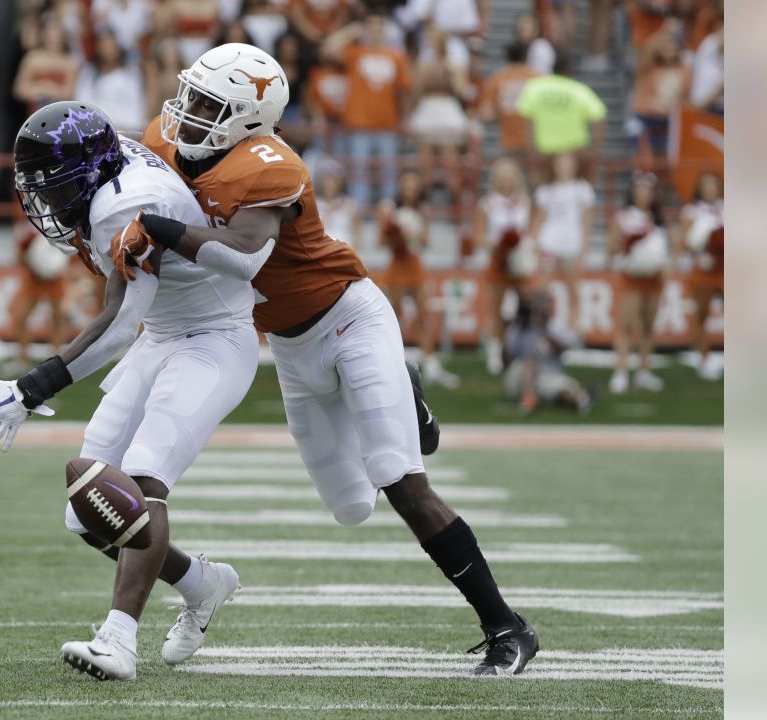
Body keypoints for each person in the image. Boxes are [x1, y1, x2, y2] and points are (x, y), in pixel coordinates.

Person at [135, 43, 534, 675]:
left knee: (398, 478)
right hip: (291, 349)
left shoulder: (268, 165)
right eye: (191, 95)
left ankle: (506, 626)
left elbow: (241, 254)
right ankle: (405, 396)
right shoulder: (171, 142)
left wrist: (154, 227)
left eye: (209, 104)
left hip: (349, 318)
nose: (188, 113)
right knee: (352, 506)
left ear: (250, 119)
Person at [0, 101, 258, 681]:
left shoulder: (123, 201)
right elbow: (128, 310)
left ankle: (119, 639)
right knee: (90, 510)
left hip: (213, 338)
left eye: (53, 183)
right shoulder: (107, 169)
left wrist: (31, 388)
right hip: (166, 334)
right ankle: (203, 583)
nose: (44, 198)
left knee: (142, 481)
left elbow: (120, 325)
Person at [378, 172, 460, 388]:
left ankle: (430, 362)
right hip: (397, 266)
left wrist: (410, 235)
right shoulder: (389, 208)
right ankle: (391, 362)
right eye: (407, 185)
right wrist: (397, 236)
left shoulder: (422, 210)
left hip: (414, 265)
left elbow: (425, 243)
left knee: (424, 315)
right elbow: (382, 241)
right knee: (394, 318)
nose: (410, 190)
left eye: (414, 185)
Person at [324, 14, 413, 207]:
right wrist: (352, 30)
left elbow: (404, 90)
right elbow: (328, 48)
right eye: (370, 27)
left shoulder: (396, 56)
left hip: (387, 124)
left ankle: (388, 210)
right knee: (359, 170)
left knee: (388, 170)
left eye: (378, 26)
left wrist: (405, 118)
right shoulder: (355, 52)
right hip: (359, 123)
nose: (375, 31)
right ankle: (359, 209)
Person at [474, 157, 536, 375]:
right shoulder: (487, 203)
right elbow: (479, 236)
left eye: (510, 176)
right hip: (498, 262)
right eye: (502, 177)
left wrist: (523, 247)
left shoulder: (525, 202)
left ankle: (522, 351)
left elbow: (532, 232)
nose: (506, 181)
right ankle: (495, 352)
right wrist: (498, 246)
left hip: (520, 263)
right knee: (496, 310)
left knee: (527, 308)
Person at [608, 172, 669, 394]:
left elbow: (666, 250)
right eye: (640, 189)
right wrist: (627, 244)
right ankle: (621, 372)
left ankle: (644, 372)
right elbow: (611, 248)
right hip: (631, 278)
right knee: (625, 325)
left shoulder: (659, 220)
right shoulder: (623, 217)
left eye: (648, 190)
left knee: (648, 326)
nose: (644, 194)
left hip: (653, 279)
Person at [529, 151, 595, 333]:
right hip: (549, 243)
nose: (564, 166)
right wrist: (533, 243)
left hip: (571, 245)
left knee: (572, 287)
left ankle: (572, 328)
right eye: (560, 162)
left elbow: (586, 222)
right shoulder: (546, 190)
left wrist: (584, 250)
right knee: (541, 288)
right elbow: (538, 219)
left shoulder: (583, 189)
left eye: (568, 162)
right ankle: (540, 326)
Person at [503, 290, 593, 414]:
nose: (539, 308)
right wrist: (505, 332)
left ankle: (577, 400)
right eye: (536, 303)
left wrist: (543, 329)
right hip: (521, 376)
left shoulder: (556, 327)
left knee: (561, 391)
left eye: (542, 303)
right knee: (529, 363)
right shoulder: (520, 327)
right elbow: (505, 361)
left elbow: (568, 347)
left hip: (548, 375)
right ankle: (529, 396)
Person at [2, 220, 70, 376]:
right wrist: (34, 260)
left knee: (58, 317)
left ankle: (56, 359)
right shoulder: (27, 230)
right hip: (35, 277)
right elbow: (18, 257)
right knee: (21, 318)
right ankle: (23, 359)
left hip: (54, 277)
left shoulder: (54, 224)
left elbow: (66, 251)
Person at [410, 28, 471, 197]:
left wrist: (450, 71)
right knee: (425, 158)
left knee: (449, 157)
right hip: (428, 108)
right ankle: (424, 195)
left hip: (447, 109)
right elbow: (416, 91)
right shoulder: (423, 65)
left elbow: (460, 90)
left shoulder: (454, 65)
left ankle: (454, 196)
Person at [516, 55, 607, 163]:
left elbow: (526, 119)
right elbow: (599, 116)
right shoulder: (579, 89)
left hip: (544, 150)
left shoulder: (535, 87)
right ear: (569, 70)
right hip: (575, 151)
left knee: (541, 179)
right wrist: (594, 148)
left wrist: (531, 149)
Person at [677, 170, 724, 381]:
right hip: (703, 269)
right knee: (700, 316)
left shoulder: (727, 207)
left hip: (727, 267)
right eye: (706, 185)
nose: (710, 189)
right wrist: (700, 250)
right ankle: (704, 359)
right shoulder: (692, 210)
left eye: (713, 184)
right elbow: (685, 242)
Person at [631, 26, 690, 160]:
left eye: (672, 45)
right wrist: (663, 31)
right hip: (646, 118)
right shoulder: (649, 67)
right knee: (643, 160)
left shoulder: (684, 70)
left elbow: (686, 96)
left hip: (669, 120)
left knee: (665, 159)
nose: (668, 49)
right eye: (665, 46)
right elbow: (645, 50)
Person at [74, 30, 146, 132]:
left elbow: (136, 109)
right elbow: (81, 104)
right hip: (93, 130)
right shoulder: (88, 73)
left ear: (118, 47)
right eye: (104, 45)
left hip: (124, 131)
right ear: (98, 48)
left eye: (111, 45)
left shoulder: (131, 74)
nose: (108, 49)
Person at [479, 42, 537, 161]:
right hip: (533, 140)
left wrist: (503, 112)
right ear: (526, 57)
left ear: (507, 58)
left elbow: (486, 114)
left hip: (508, 140)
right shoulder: (537, 78)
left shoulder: (497, 79)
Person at [12, 23, 78, 113]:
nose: (53, 40)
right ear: (43, 36)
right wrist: (43, 89)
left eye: (56, 36)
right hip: (34, 113)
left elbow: (69, 94)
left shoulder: (69, 62)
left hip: (60, 114)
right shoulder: (32, 58)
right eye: (49, 36)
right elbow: (19, 90)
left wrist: (47, 88)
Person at [514, 11, 556, 76]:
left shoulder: (540, 47)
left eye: (527, 27)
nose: (522, 30)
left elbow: (541, 75)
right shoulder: (520, 49)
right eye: (521, 26)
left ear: (536, 29)